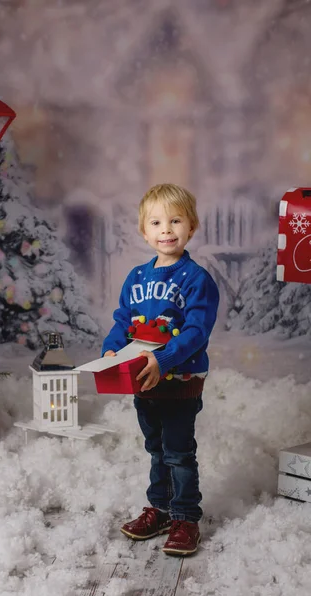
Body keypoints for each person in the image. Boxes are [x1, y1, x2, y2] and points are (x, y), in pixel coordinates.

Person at [102, 183, 219, 556]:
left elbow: (198, 332)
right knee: (156, 449)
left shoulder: (196, 279)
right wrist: (111, 350)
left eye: (175, 220)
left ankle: (186, 517)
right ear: (144, 231)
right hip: (143, 381)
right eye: (156, 222)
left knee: (178, 452)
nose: (165, 229)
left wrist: (165, 358)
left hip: (180, 381)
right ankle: (161, 509)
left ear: (191, 226)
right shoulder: (137, 277)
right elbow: (123, 320)